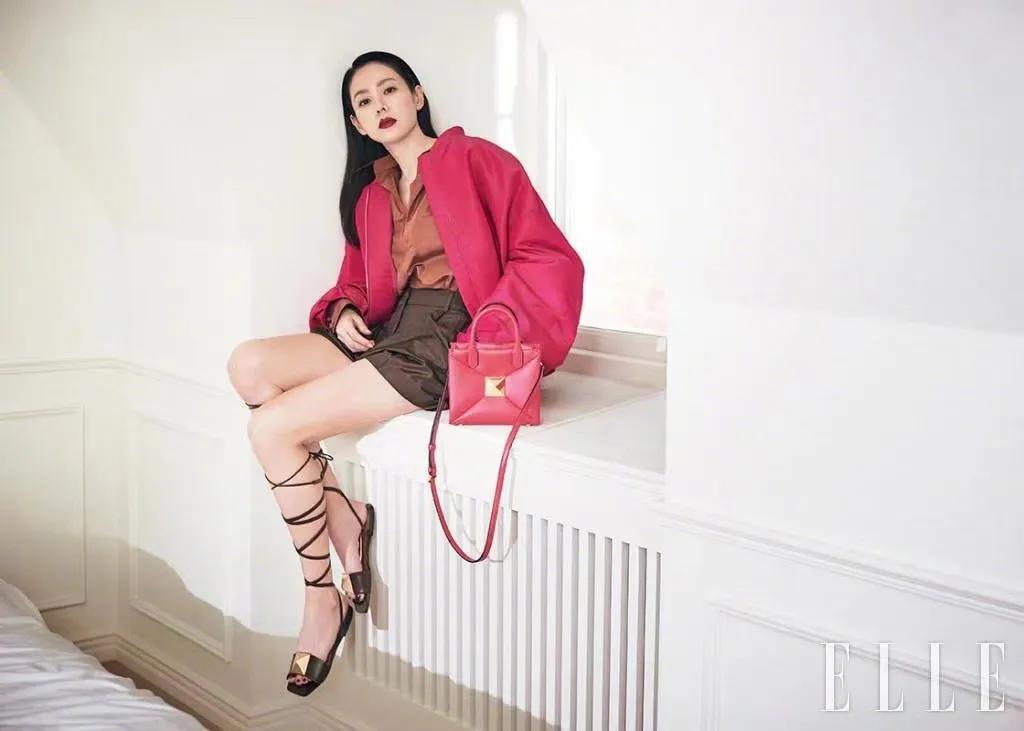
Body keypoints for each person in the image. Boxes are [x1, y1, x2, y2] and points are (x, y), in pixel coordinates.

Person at [226, 50, 584, 696]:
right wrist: (342, 312)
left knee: (272, 429)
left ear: (417, 96)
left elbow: (545, 254)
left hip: (449, 335)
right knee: (247, 365)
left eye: (389, 89)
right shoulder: (372, 194)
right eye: (363, 101)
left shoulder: (478, 161)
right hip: (390, 330)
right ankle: (346, 518)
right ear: (358, 124)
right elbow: (359, 282)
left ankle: (320, 599)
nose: (379, 105)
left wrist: (492, 330)